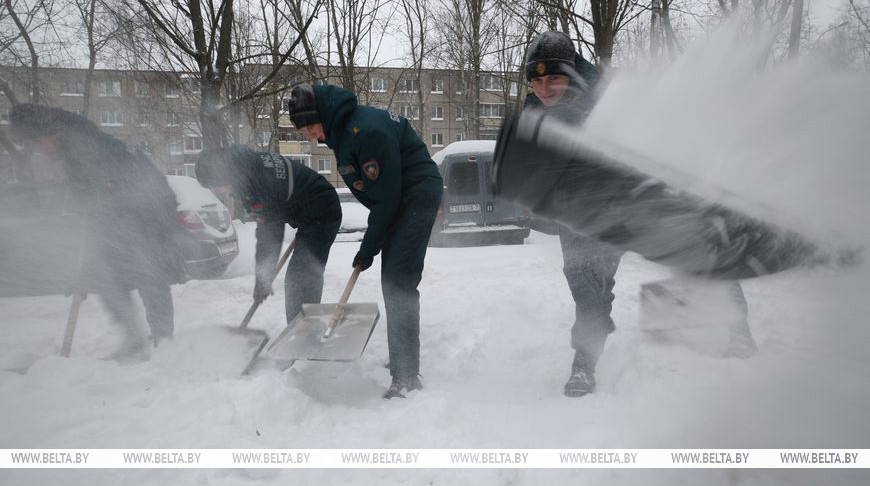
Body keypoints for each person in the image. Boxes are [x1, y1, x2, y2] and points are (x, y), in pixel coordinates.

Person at [285, 83, 443, 399]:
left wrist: (368, 247)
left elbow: (386, 197)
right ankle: (402, 359)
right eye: (304, 131)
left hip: (415, 197)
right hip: (399, 200)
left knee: (398, 281)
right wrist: (375, 240)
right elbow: (380, 196)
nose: (309, 136)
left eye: (309, 127)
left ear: (322, 116)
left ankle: (406, 376)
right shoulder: (343, 132)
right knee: (393, 279)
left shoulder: (364, 132)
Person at [9, 103, 187, 360]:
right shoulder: (72, 144)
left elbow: (108, 192)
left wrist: (97, 214)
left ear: (46, 133)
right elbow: (89, 196)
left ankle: (163, 340)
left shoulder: (83, 144)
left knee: (148, 270)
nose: (39, 151)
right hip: (129, 209)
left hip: (151, 208)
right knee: (104, 273)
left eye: (36, 143)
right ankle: (134, 338)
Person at [195, 145, 341, 326]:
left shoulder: (260, 181)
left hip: (322, 211)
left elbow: (270, 234)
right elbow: (266, 222)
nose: (217, 192)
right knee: (300, 274)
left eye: (216, 186)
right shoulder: (246, 170)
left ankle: (304, 334)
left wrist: (262, 279)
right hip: (306, 213)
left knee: (301, 276)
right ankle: (300, 330)